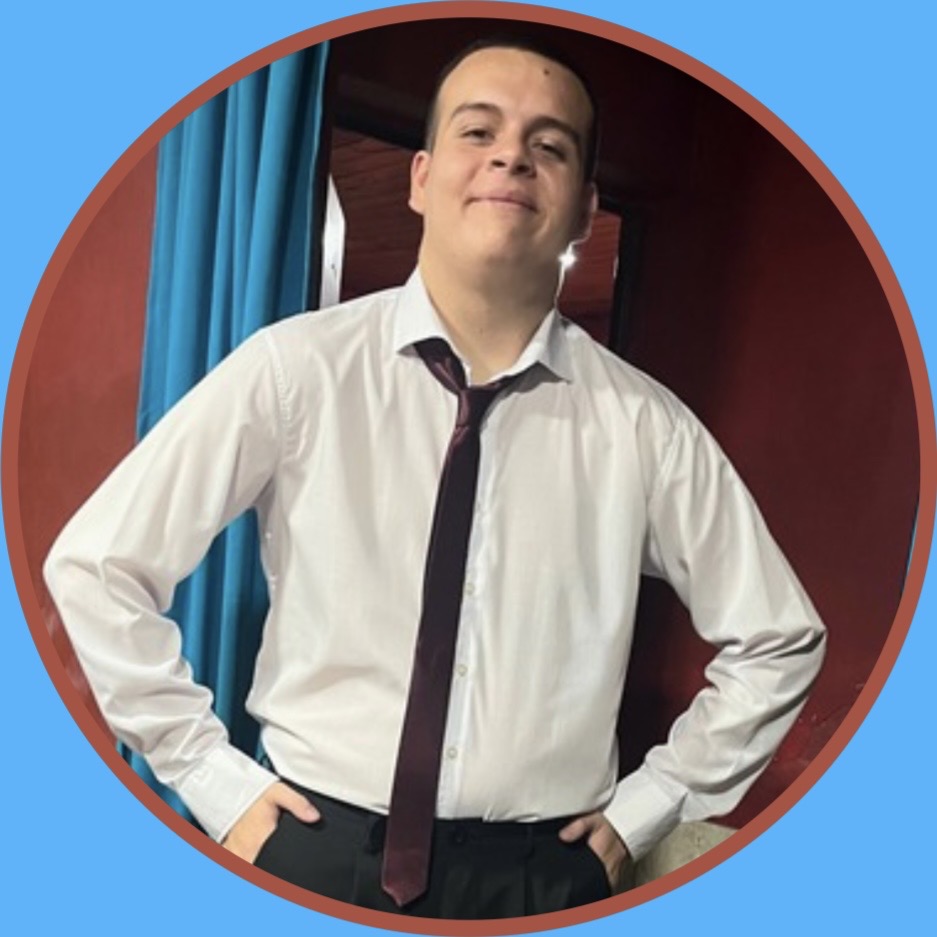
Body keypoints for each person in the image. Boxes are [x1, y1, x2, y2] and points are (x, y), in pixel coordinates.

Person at [44, 37, 826, 919]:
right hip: (311, 849)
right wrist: (207, 776)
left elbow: (780, 638)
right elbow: (95, 566)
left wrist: (650, 806)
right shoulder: (292, 371)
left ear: (583, 209)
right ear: (420, 178)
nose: (510, 156)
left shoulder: (648, 426)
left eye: (549, 144)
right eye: (477, 131)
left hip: (541, 877)